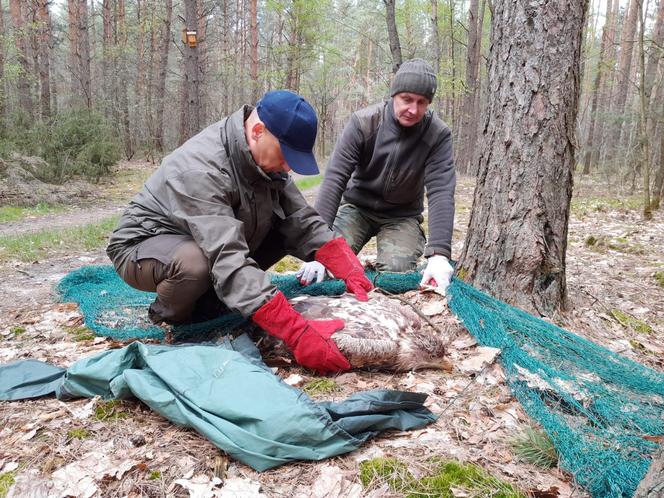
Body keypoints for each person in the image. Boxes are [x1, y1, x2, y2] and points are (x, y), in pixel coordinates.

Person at [106, 90, 372, 375]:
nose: (289, 167)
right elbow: (228, 257)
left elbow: (300, 219)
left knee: (282, 229)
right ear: (258, 131)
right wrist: (297, 333)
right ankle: (174, 316)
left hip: (203, 237)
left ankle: (211, 300)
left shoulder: (263, 158)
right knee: (195, 264)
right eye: (286, 156)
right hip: (143, 245)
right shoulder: (200, 169)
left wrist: (346, 264)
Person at [297, 59, 456, 293]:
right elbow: (335, 178)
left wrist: (440, 254)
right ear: (394, 95)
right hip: (356, 208)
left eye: (421, 102)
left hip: (402, 216)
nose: (413, 109)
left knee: (396, 275)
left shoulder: (438, 135)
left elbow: (441, 190)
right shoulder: (364, 123)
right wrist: (316, 246)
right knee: (331, 264)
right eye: (407, 99)